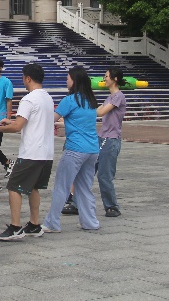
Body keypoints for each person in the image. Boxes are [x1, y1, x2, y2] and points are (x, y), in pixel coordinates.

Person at [0, 63, 54, 241]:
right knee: (33, 187)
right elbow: (29, 122)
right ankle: (34, 224)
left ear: (28, 78)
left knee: (14, 187)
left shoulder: (28, 99)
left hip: (31, 152)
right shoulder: (47, 98)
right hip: (46, 152)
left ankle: (15, 227)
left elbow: (18, 127)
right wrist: (11, 122)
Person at [41, 67, 100, 233]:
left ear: (74, 81)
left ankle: (52, 222)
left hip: (75, 149)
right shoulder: (90, 100)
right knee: (84, 187)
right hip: (92, 149)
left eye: (68, 78)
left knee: (62, 186)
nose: (66, 81)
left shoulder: (69, 100)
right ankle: (90, 222)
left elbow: (51, 119)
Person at [96, 67, 127, 218]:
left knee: (104, 174)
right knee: (86, 170)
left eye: (106, 76)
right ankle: (76, 202)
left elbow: (100, 112)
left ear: (115, 79)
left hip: (111, 139)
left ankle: (112, 206)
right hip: (101, 137)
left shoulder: (118, 96)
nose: (104, 78)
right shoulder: (110, 97)